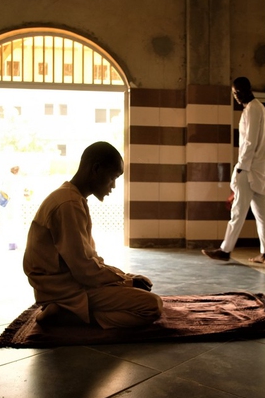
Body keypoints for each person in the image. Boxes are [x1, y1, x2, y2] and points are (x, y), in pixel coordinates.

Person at [23, 141, 163, 328]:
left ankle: (68, 310)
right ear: (96, 169)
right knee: (151, 306)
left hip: (67, 283)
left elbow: (90, 260)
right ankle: (70, 315)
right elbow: (85, 270)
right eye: (113, 177)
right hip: (65, 289)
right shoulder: (68, 204)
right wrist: (127, 282)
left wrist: (126, 277)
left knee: (142, 297)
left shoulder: (72, 198)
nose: (113, 186)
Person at [203, 77, 265, 263]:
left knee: (238, 213)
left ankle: (225, 250)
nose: (237, 96)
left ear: (247, 90)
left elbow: (249, 142)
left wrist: (240, 168)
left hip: (248, 171)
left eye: (238, 92)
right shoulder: (260, 108)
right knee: (262, 215)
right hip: (258, 172)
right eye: (234, 93)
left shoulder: (252, 110)